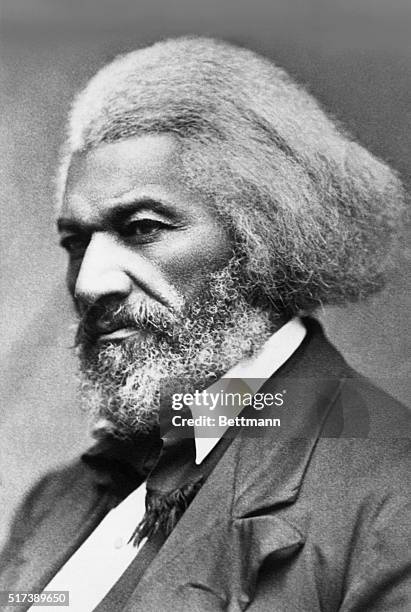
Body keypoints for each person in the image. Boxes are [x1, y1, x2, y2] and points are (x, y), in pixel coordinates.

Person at [0, 36, 410, 611]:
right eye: (75, 242)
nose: (91, 283)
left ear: (261, 236)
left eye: (142, 227)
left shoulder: (393, 501)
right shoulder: (56, 499)